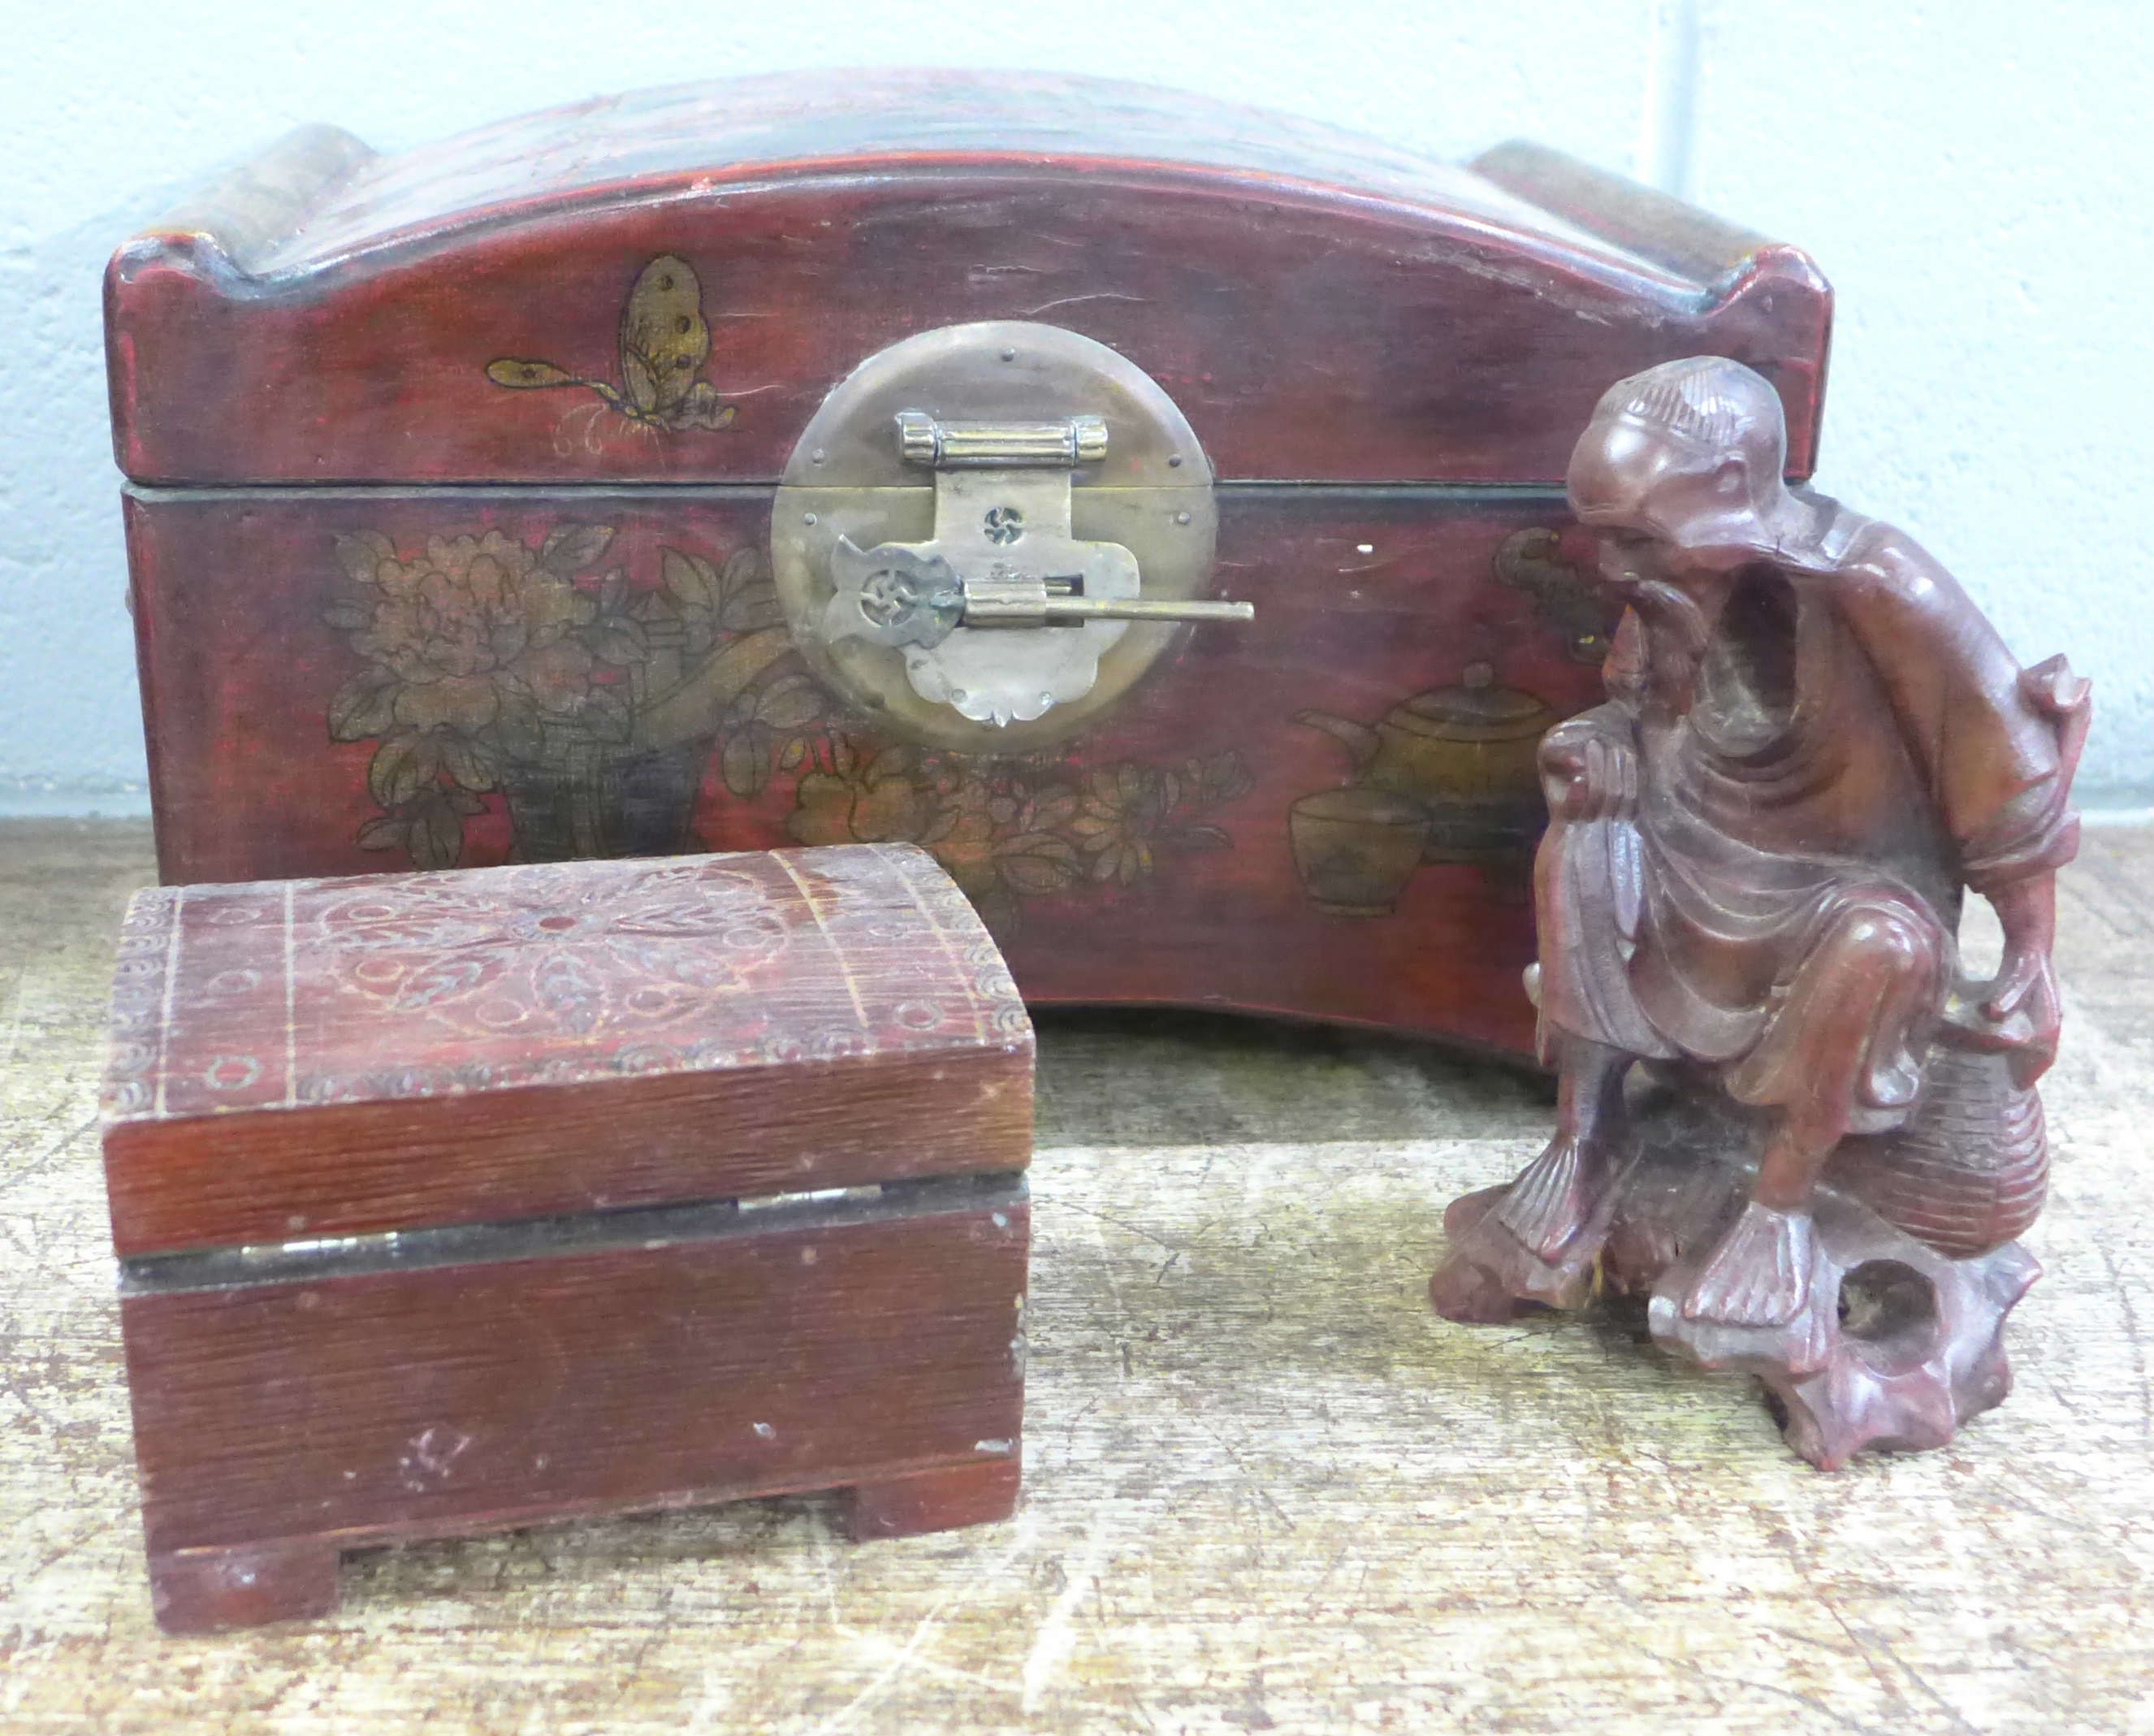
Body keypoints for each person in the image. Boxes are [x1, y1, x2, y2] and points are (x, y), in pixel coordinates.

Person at [1473, 355, 2087, 1346]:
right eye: (1607, 541)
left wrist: (2029, 952)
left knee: (1881, 947)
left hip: (1848, 891)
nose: (1617, 568)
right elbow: (1638, 710)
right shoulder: (1671, 582)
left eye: (1637, 538)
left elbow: (2001, 767)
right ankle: (1583, 1138)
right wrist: (1599, 746)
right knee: (1583, 850)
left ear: (1727, 491)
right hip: (1691, 853)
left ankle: (1781, 1203)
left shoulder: (1881, 583)